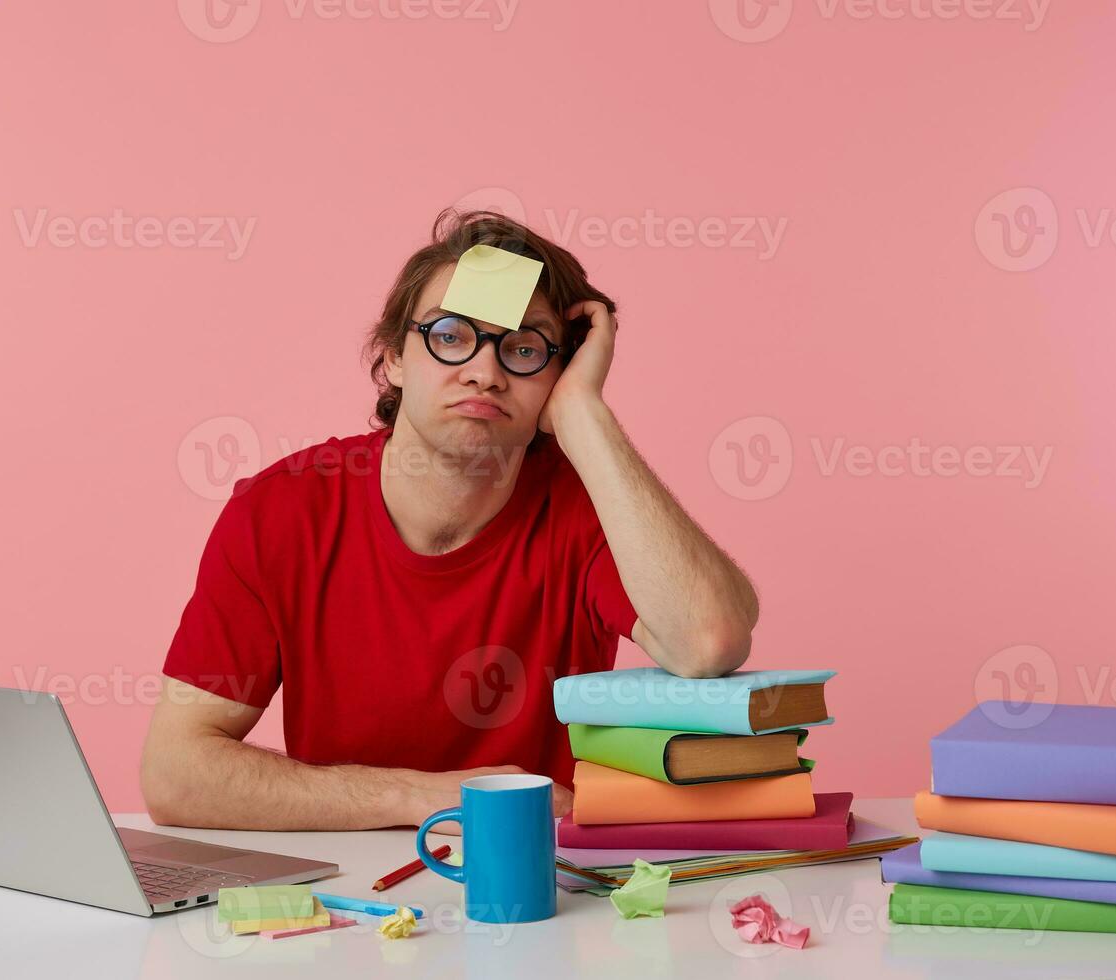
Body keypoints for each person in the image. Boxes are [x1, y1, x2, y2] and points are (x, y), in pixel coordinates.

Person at [140, 209, 759, 831]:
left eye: (523, 349)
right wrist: (422, 797)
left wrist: (584, 416)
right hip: (348, 899)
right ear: (394, 359)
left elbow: (708, 642)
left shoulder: (590, 508)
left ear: (558, 374)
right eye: (451, 336)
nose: (485, 373)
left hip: (542, 882)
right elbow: (175, 773)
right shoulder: (279, 512)